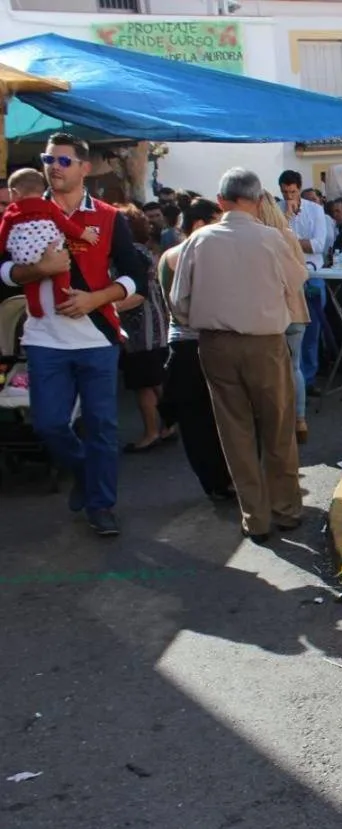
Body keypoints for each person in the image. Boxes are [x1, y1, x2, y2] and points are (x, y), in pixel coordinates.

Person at [0, 133, 150, 536]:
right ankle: (85, 473)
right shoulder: (25, 210)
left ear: (85, 167)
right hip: (44, 338)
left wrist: (97, 297)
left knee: (102, 426)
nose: (53, 166)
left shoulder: (108, 216)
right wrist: (37, 271)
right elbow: (3, 270)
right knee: (49, 424)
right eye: (48, 159)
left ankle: (101, 506)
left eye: (64, 161)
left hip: (97, 338)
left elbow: (136, 278)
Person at [170, 168, 307, 542]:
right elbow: (296, 283)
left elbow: (178, 302)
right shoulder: (271, 238)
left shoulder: (198, 242)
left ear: (220, 201)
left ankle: (255, 517)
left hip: (216, 343)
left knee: (235, 431)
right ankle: (287, 509)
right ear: (259, 200)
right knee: (278, 428)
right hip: (265, 343)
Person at [158, 198, 233, 501]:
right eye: (217, 222)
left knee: (196, 422)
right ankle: (223, 479)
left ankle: (214, 482)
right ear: (200, 225)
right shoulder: (197, 256)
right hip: (203, 343)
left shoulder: (168, 256)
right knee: (216, 417)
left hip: (180, 345)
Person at [113, 204, 174, 453]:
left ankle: (153, 432)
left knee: (145, 383)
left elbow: (138, 294)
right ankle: (167, 426)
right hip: (151, 325)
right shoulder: (142, 251)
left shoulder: (131, 254)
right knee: (152, 381)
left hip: (142, 328)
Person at [0, 168, 100, 320]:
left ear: (15, 193)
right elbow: (65, 225)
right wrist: (84, 234)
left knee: (33, 285)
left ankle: (37, 308)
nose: (5, 206)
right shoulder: (48, 206)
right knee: (61, 275)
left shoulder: (12, 211)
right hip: (49, 250)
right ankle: (61, 300)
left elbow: (2, 235)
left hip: (26, 256)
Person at [257, 192, 312, 443]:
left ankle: (279, 422)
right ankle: (299, 419)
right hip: (296, 309)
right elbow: (302, 272)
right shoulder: (288, 235)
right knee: (295, 367)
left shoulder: (259, 238)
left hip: (272, 311)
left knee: (272, 371)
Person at [278, 170, 330, 403]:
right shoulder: (276, 210)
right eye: (285, 192)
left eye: (293, 191)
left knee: (312, 329)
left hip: (311, 274)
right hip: (285, 276)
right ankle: (288, 378)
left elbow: (319, 245)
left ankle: (307, 379)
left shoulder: (316, 211)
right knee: (286, 328)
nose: (289, 196)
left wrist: (290, 241)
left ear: (299, 189)